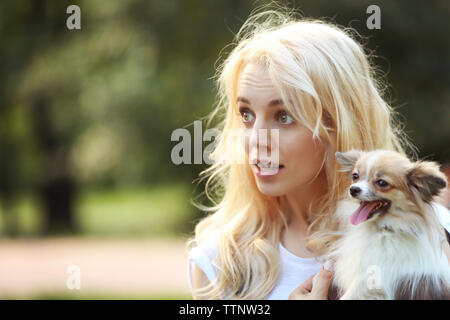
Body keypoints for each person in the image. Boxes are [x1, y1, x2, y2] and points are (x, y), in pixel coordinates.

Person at [186, 9, 450, 300]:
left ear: (338, 125)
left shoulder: (437, 234)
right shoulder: (220, 263)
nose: (255, 140)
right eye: (246, 114)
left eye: (284, 116)